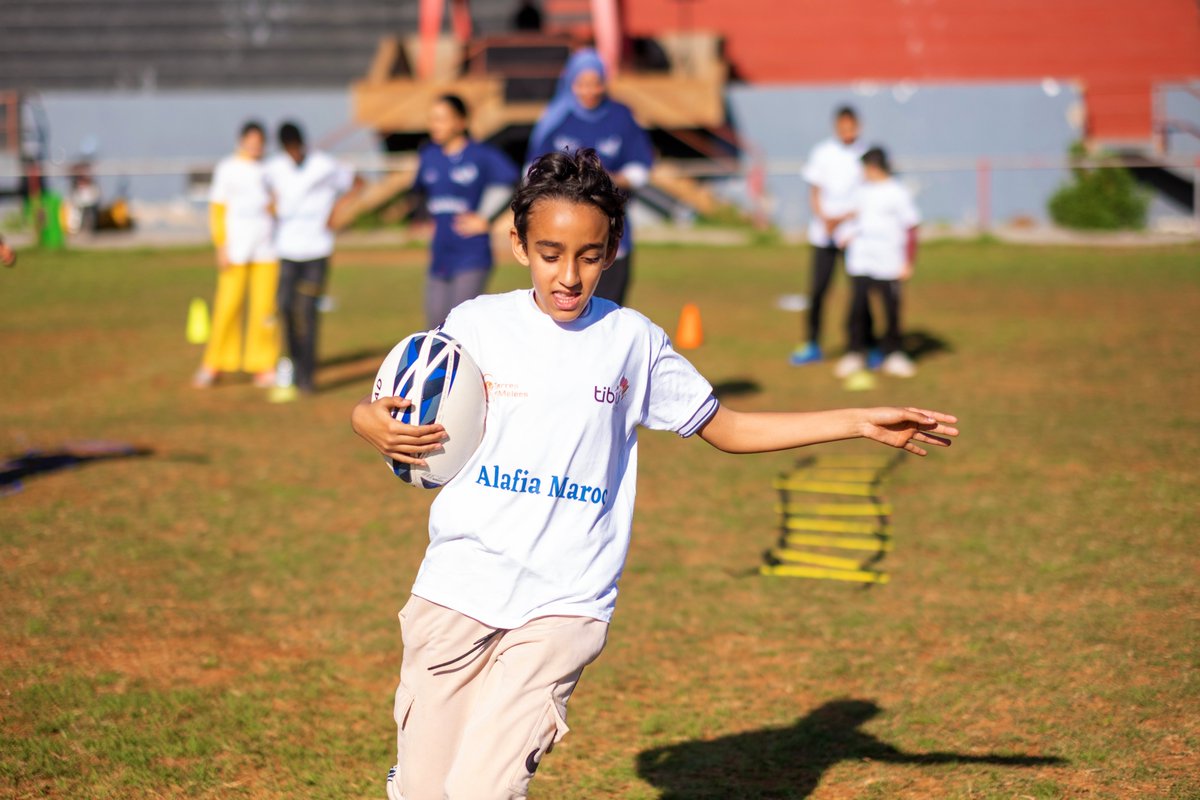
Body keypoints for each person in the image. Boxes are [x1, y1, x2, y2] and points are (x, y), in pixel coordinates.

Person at [350, 149, 959, 800]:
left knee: (480, 792)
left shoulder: (633, 342)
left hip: (563, 603)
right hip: (456, 590)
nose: (569, 275)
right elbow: (401, 399)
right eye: (550, 252)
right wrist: (366, 420)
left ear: (612, 252)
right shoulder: (476, 324)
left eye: (589, 255)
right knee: (423, 792)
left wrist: (856, 422)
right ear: (517, 243)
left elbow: (726, 428)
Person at [525, 48, 653, 306]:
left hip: (608, 223)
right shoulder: (556, 118)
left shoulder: (621, 116)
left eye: (596, 83)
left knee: (607, 308)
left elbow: (641, 167)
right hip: (562, 226)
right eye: (582, 84)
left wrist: (608, 182)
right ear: (570, 82)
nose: (589, 90)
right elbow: (532, 170)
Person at [264, 121, 360, 397]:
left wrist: (337, 212)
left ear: (303, 144)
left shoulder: (325, 165)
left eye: (296, 148)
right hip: (286, 251)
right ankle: (292, 365)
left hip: (316, 252)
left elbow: (358, 182)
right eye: (288, 149)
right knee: (284, 308)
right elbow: (263, 195)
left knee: (306, 310)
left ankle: (308, 375)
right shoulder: (274, 169)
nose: (293, 153)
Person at [414, 95, 520, 328]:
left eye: (442, 119)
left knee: (459, 325)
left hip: (471, 253)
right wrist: (423, 218)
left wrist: (486, 219)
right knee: (434, 327)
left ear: (461, 122)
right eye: (432, 119)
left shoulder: (481, 154)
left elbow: (511, 181)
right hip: (440, 254)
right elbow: (420, 192)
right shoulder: (429, 155)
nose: (435, 125)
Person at [194, 121, 279, 389]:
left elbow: (278, 205)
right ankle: (215, 363)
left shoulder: (271, 170)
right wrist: (221, 245)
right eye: (251, 140)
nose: (255, 145)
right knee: (227, 307)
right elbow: (217, 209)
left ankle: (263, 364)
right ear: (242, 140)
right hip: (235, 250)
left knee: (265, 310)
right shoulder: (227, 168)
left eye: (259, 140)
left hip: (266, 249)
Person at [791, 105, 867, 366]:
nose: (847, 132)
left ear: (858, 126)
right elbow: (814, 191)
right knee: (818, 290)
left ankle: (862, 344)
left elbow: (870, 196)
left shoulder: (866, 154)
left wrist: (844, 219)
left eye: (851, 127)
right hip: (824, 234)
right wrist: (826, 219)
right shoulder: (822, 153)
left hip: (854, 234)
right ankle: (812, 343)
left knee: (860, 291)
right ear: (836, 127)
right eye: (843, 127)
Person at [836, 146, 921, 378]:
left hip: (889, 261)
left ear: (873, 167)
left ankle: (894, 354)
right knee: (857, 308)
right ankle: (855, 352)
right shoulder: (861, 192)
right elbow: (854, 219)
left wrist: (908, 261)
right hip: (861, 260)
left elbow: (911, 227)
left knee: (891, 309)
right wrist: (846, 235)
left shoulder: (897, 192)